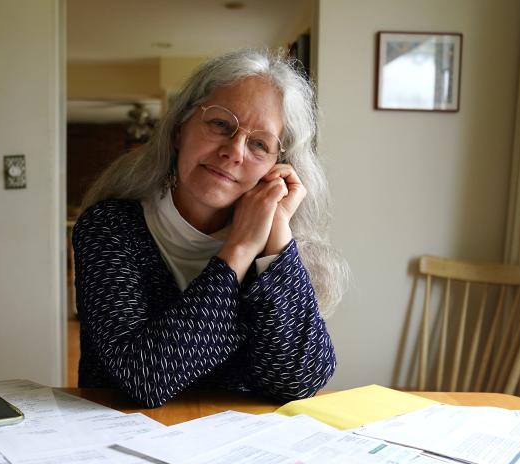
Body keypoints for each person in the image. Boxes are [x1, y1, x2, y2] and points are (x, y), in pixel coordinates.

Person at [73, 48, 348, 408]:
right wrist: (237, 252)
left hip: (237, 453)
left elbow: (300, 381)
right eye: (220, 124)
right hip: (122, 444)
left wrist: (276, 236)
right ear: (178, 130)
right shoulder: (109, 228)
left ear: (277, 167)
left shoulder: (275, 248)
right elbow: (142, 379)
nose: (234, 151)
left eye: (260, 144)